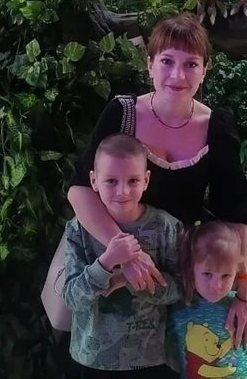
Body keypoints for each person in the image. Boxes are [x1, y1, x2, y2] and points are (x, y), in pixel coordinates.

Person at [67, 12, 247, 346]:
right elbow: (81, 190)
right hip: (104, 242)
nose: (177, 75)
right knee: (66, 316)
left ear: (205, 70)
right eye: (167, 61)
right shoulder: (121, 114)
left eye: (191, 64)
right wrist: (127, 253)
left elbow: (234, 215)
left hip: (171, 261)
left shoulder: (217, 127)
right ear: (150, 64)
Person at [62, 133, 183, 379]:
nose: (123, 191)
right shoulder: (78, 229)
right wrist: (106, 262)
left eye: (133, 180)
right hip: (93, 360)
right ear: (94, 181)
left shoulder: (166, 228)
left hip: (151, 359)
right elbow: (71, 298)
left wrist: (130, 280)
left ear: (146, 180)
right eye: (111, 181)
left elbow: (179, 290)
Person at [168, 221, 247, 379]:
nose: (216, 286)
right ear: (191, 269)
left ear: (236, 273)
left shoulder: (242, 311)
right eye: (207, 274)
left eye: (226, 276)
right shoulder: (178, 309)